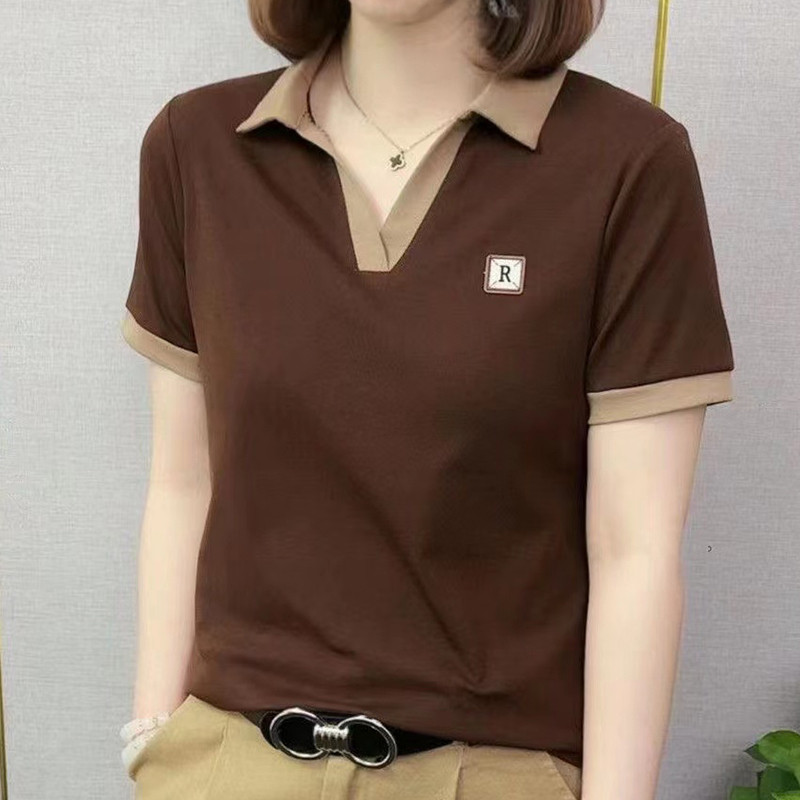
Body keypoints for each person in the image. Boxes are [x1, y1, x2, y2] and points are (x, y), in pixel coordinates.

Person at [117, 0, 735, 798]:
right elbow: (183, 482)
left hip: (491, 772)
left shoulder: (627, 163)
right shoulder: (197, 147)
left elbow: (634, 548)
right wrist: (154, 746)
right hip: (227, 765)